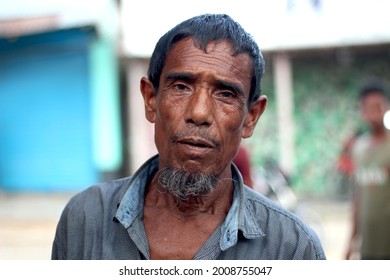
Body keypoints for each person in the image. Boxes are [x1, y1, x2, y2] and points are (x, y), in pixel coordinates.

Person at [51, 14, 325, 260]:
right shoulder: (84, 219)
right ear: (150, 100)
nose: (199, 113)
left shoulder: (293, 249)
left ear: (251, 117)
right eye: (181, 87)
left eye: (226, 94)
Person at [345, 81, 390, 260]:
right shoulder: (358, 148)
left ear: (386, 107)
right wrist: (351, 242)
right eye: (368, 108)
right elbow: (358, 198)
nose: (373, 113)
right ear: (362, 111)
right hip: (368, 248)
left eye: (377, 107)